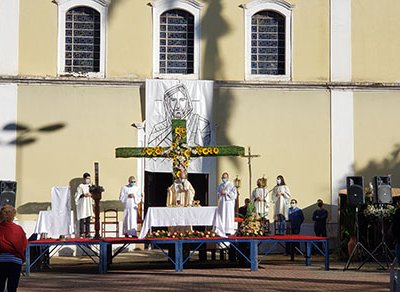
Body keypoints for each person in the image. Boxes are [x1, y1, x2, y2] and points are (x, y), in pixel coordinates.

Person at [0, 205, 28, 292]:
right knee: (12, 287)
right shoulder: (18, 229)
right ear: (13, 215)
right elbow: (24, 244)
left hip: (0, 261)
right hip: (15, 261)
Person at [74, 172, 94, 238]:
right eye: (87, 178)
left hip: (88, 203)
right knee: (82, 218)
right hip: (83, 204)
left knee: (88, 218)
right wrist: (83, 195)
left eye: (89, 178)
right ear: (84, 178)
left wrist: (91, 194)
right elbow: (77, 195)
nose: (88, 180)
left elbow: (93, 193)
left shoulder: (90, 186)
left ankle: (88, 233)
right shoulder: (80, 186)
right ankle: (82, 233)